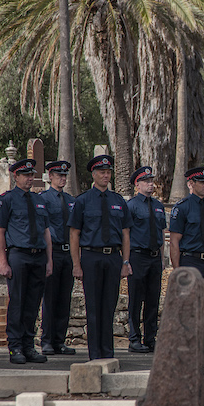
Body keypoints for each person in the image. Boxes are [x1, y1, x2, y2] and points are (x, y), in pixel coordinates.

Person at [69, 154, 133, 360]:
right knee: (93, 307)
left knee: (109, 306)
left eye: (108, 172)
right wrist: (76, 264)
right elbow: (74, 234)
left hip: (113, 257)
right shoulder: (83, 201)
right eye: (102, 172)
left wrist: (125, 261)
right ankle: (95, 354)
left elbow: (125, 234)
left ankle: (108, 352)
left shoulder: (118, 201)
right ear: (93, 175)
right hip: (91, 256)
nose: (106, 176)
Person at [0, 159, 53, 364]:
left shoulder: (38, 200)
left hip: (38, 256)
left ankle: (28, 345)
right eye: (26, 175)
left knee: (33, 304)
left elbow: (46, 232)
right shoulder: (7, 200)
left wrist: (49, 260)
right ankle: (15, 346)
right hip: (19, 255)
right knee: (17, 302)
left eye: (31, 175)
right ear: (16, 177)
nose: (30, 178)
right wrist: (3, 261)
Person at [169, 166, 204, 359]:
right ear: (191, 184)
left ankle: (202, 349)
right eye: (201, 182)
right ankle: (188, 351)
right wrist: (177, 271)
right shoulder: (182, 208)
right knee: (190, 309)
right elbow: (174, 241)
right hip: (190, 261)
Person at [126, 166, 166, 353]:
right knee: (136, 299)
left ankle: (150, 338)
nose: (151, 184)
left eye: (151, 181)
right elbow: (125, 234)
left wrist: (162, 258)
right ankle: (134, 339)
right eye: (146, 181)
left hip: (154, 257)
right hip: (137, 256)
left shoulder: (158, 205)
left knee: (153, 299)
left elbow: (161, 232)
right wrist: (126, 260)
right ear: (137, 185)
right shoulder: (132, 206)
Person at [39, 160, 76, 356]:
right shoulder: (43, 199)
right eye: (59, 175)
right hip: (52, 251)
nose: (63, 178)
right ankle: (47, 340)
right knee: (50, 298)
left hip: (68, 252)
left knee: (64, 298)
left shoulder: (71, 200)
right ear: (50, 176)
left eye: (65, 175)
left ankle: (59, 340)